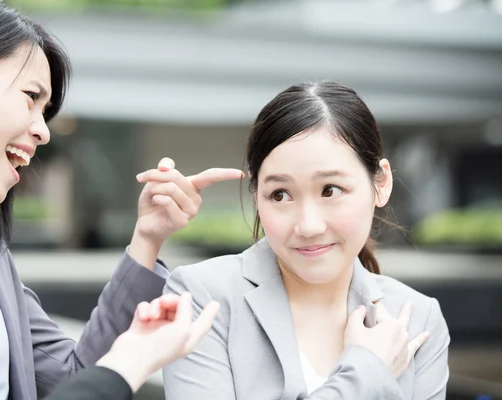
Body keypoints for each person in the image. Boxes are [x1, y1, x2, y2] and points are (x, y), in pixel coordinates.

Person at [0, 0, 243, 399]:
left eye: (46, 111)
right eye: (30, 97)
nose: (43, 131)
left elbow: (73, 377)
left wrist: (148, 238)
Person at [161, 81, 450, 399]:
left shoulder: (417, 318)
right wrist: (367, 372)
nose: (308, 225)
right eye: (281, 194)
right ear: (257, 196)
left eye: (331, 190)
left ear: (380, 184)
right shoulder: (204, 298)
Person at [0, 239, 219, 400]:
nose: (41, 130)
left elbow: (70, 373)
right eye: (29, 107)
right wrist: (133, 359)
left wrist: (148, 238)